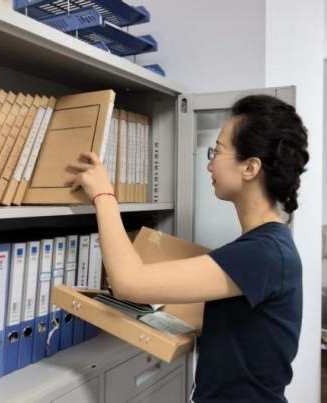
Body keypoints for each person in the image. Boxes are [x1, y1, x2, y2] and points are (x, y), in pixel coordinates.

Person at [66, 94, 310, 403]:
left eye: (216, 151)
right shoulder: (267, 246)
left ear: (250, 167)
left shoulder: (262, 253)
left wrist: (103, 194)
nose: (209, 164)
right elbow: (223, 325)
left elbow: (127, 281)